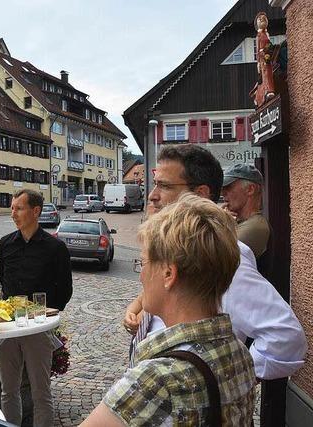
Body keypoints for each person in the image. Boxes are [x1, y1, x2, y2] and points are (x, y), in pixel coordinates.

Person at [123, 145, 306, 380]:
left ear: (200, 194)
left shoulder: (214, 256)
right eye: (155, 184)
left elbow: (286, 338)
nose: (152, 195)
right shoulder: (176, 248)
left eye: (165, 186)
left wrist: (222, 380)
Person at [82, 194, 256, 426]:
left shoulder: (157, 379)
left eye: (142, 263)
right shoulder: (239, 352)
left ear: (168, 274)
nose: (141, 275)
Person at [0, 189, 72, 426]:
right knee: (8, 391)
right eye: (12, 208)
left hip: (38, 327)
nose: (13, 214)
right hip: (8, 326)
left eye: (18, 208)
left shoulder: (55, 248)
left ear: (35, 211)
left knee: (41, 393)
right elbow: (2, 279)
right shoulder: (5, 244)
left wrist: (47, 314)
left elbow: (65, 291)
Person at [222, 163, 270, 258]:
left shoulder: (256, 226)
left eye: (228, 187)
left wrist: (218, 222)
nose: (223, 193)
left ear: (250, 189)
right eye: (222, 188)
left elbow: (213, 256)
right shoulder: (243, 222)